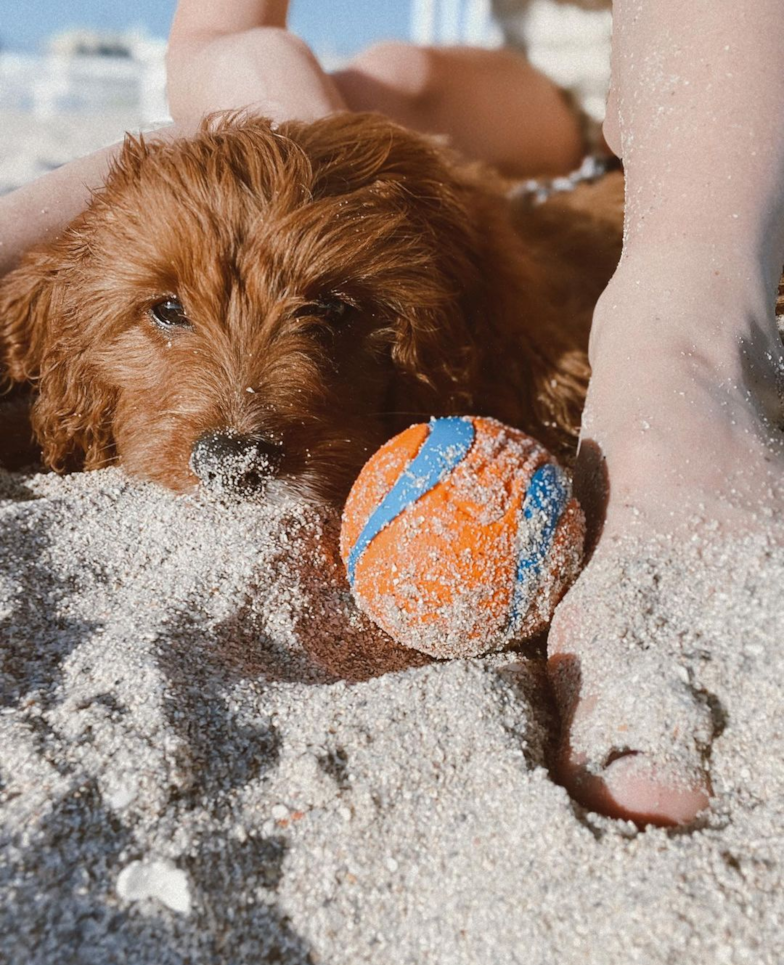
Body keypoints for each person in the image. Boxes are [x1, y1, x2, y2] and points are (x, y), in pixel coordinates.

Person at [2, 0, 782, 826]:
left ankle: (690, 346)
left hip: (730, 60)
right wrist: (226, 45)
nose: (242, 404)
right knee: (361, 92)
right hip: (549, 73)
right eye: (167, 312)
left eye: (332, 311)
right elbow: (221, 39)